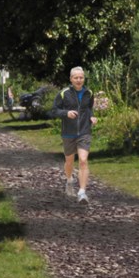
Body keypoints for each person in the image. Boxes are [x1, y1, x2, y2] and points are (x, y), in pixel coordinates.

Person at [51, 66, 98, 203]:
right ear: (71, 79)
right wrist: (66, 113)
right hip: (68, 133)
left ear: (84, 78)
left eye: (81, 77)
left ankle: (82, 192)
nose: (79, 80)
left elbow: (89, 109)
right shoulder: (63, 93)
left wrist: (92, 117)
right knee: (69, 161)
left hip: (84, 131)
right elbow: (54, 111)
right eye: (76, 78)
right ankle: (69, 180)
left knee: (83, 160)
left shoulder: (89, 92)